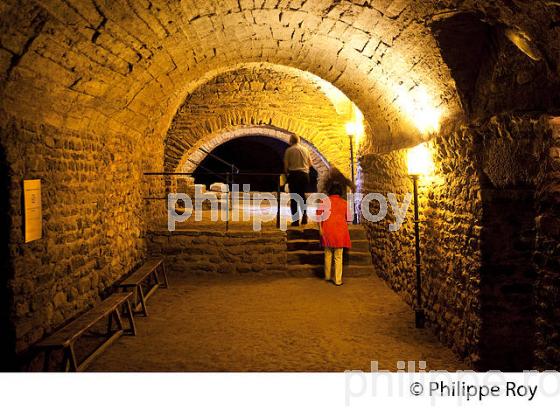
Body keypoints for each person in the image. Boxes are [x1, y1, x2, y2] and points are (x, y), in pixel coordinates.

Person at [317, 168, 355, 286]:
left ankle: (327, 276)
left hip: (327, 230)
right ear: (340, 192)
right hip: (340, 232)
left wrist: (320, 229)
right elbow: (349, 219)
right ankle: (338, 280)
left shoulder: (324, 201)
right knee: (338, 256)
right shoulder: (344, 203)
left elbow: (319, 217)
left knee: (328, 254)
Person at [284, 133, 311, 226]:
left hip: (294, 175)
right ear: (299, 140)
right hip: (304, 175)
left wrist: (287, 175)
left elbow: (286, 166)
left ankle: (295, 220)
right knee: (302, 196)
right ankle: (304, 216)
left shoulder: (289, 150)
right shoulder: (306, 150)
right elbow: (310, 163)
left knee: (294, 197)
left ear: (291, 141)